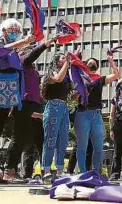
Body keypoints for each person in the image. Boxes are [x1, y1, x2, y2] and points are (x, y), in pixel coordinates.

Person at [0, 19, 34, 184]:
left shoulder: (14, 51)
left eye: (17, 29)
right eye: (11, 29)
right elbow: (0, 52)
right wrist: (24, 42)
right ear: (3, 30)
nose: (14, 32)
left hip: (6, 96)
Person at [3, 38, 56, 182]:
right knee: (18, 137)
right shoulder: (22, 62)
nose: (30, 50)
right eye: (28, 49)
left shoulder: (31, 68)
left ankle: (13, 170)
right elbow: (32, 55)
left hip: (30, 103)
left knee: (23, 138)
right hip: (22, 103)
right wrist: (44, 45)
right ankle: (9, 171)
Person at [74, 55, 119, 174]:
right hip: (83, 113)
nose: (91, 65)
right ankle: (82, 172)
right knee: (82, 146)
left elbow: (116, 75)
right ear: (85, 66)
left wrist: (110, 60)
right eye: (89, 63)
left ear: (97, 67)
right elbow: (74, 96)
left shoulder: (99, 79)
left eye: (93, 63)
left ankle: (96, 172)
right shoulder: (80, 78)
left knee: (99, 146)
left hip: (96, 115)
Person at [41, 52, 71, 181]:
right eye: (63, 58)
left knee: (63, 140)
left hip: (64, 107)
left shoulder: (67, 75)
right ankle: (46, 169)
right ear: (56, 61)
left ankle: (59, 170)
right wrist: (67, 63)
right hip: (53, 105)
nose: (65, 60)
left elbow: (71, 90)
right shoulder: (51, 72)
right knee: (51, 139)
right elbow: (57, 78)